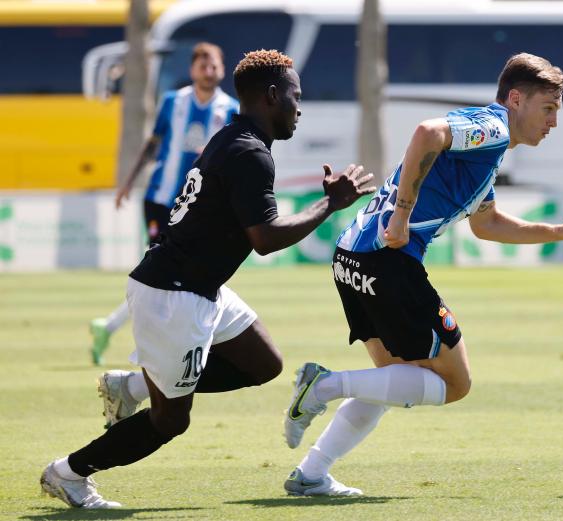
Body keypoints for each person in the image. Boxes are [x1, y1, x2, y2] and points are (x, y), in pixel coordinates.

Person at [40, 49, 374, 509]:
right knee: (170, 421)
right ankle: (69, 473)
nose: (300, 106)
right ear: (273, 96)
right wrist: (330, 205)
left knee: (263, 364)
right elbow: (265, 239)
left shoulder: (233, 138)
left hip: (198, 286)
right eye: (296, 96)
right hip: (174, 295)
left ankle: (132, 386)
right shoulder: (249, 154)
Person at [282, 52, 563, 497]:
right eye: (548, 108)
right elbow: (427, 132)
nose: (553, 122)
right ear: (516, 99)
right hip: (388, 260)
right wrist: (401, 216)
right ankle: (323, 386)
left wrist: (559, 231)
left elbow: (487, 224)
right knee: (455, 383)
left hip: (351, 257)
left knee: (392, 381)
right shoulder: (493, 127)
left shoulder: (486, 155)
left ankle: (312, 473)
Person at [89, 42, 239, 365]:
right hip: (161, 199)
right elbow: (153, 144)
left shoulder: (229, 109)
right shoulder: (173, 102)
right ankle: (144, 340)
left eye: (213, 65)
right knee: (158, 272)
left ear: (222, 70)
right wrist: (128, 183)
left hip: (200, 207)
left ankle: (111, 326)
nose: (208, 70)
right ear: (192, 70)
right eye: (202, 64)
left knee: (170, 276)